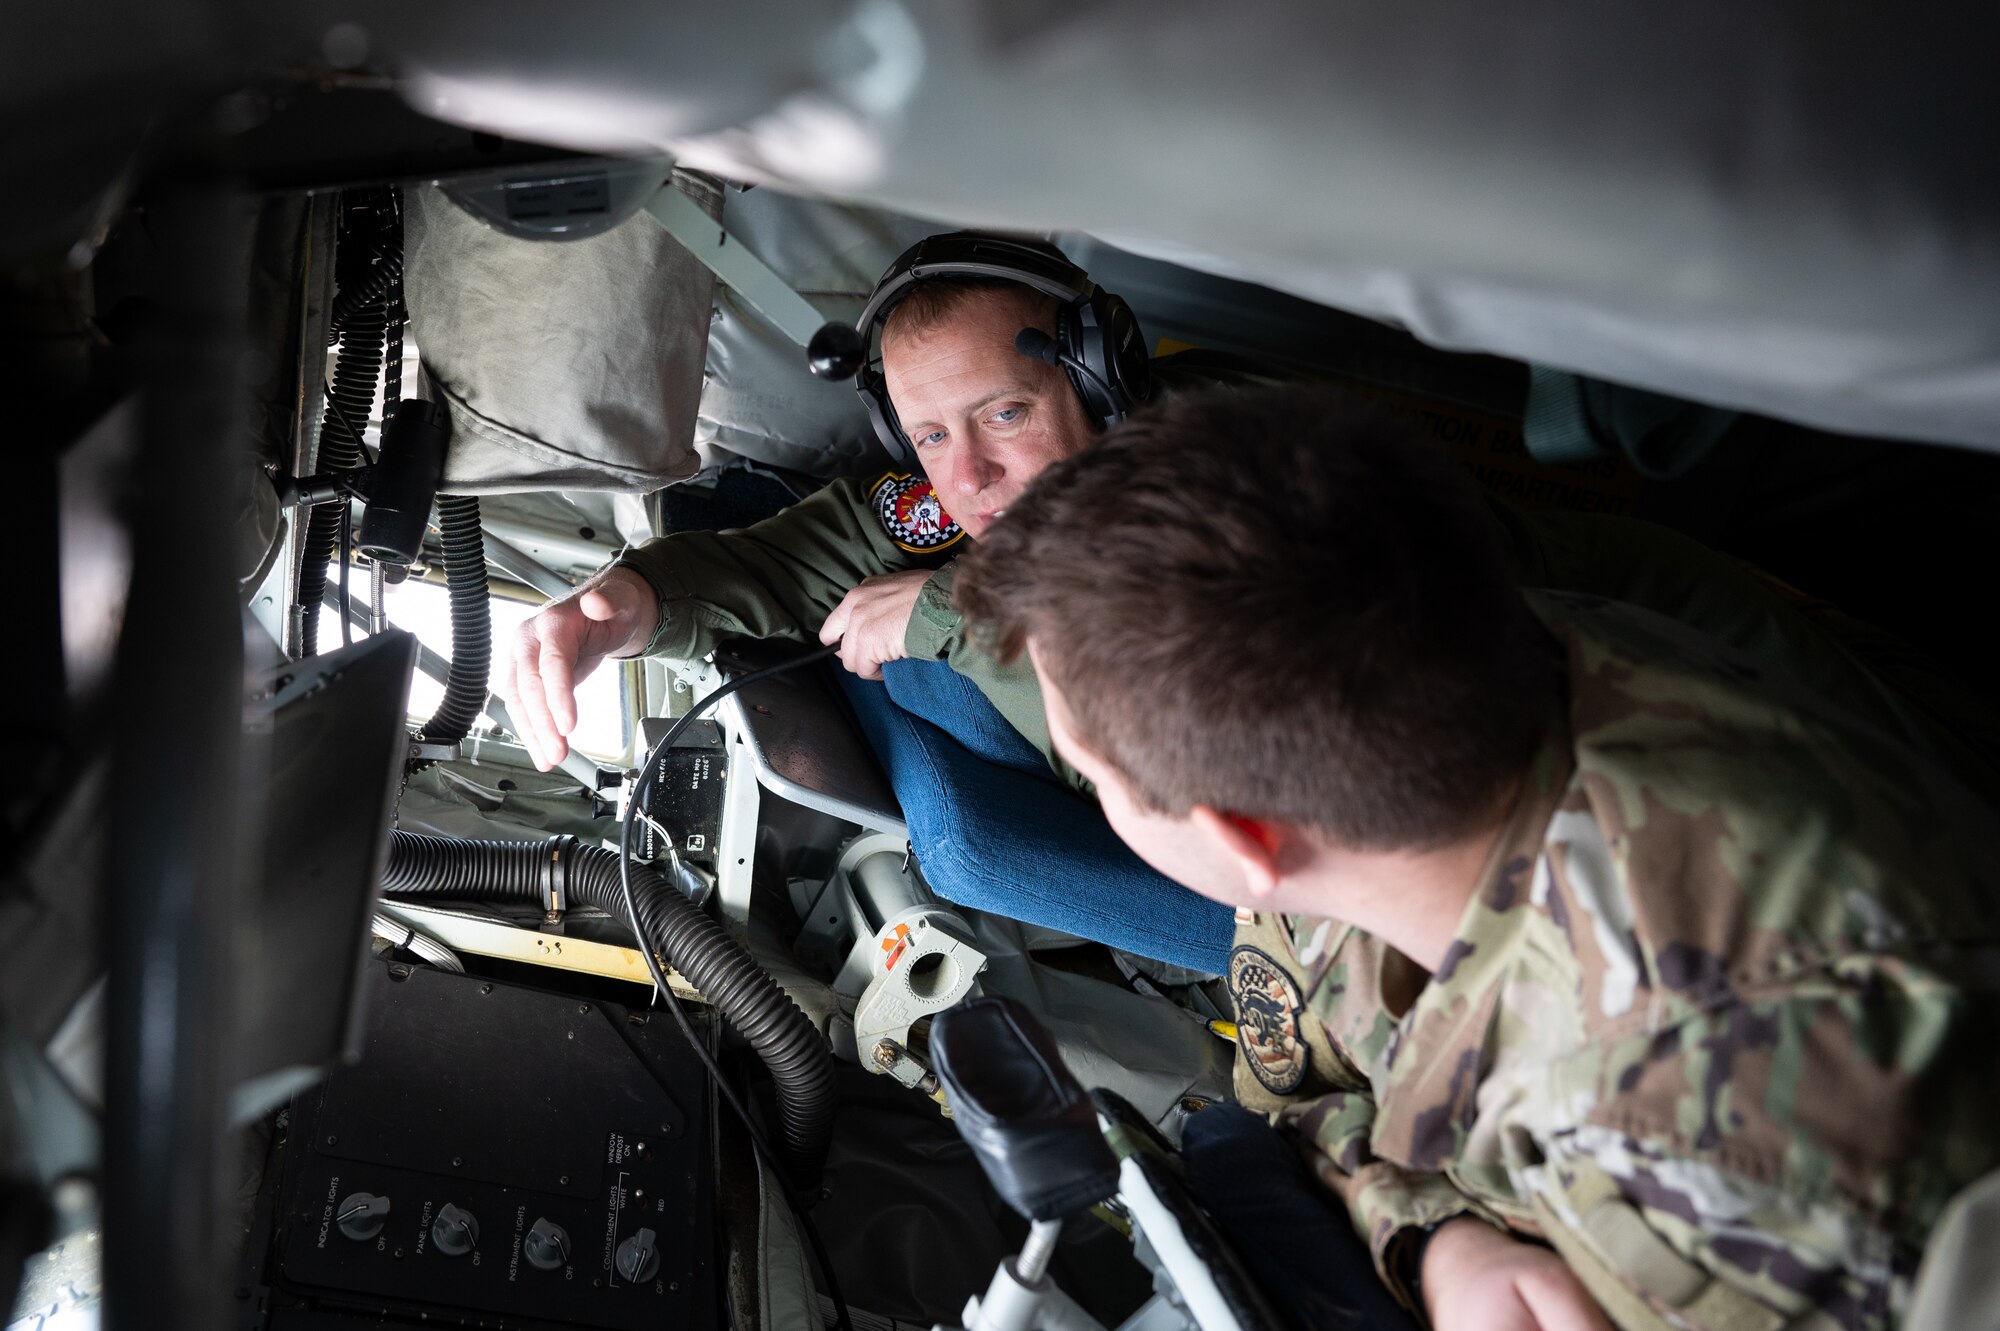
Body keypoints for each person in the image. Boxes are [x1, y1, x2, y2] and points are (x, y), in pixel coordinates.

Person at [953, 385, 2000, 1331]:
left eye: (1098, 777)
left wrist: (1405, 1220)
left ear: (1241, 835)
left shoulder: (1702, 1130)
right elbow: (1294, 1095)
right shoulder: (1428, 672)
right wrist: (1434, 1238)